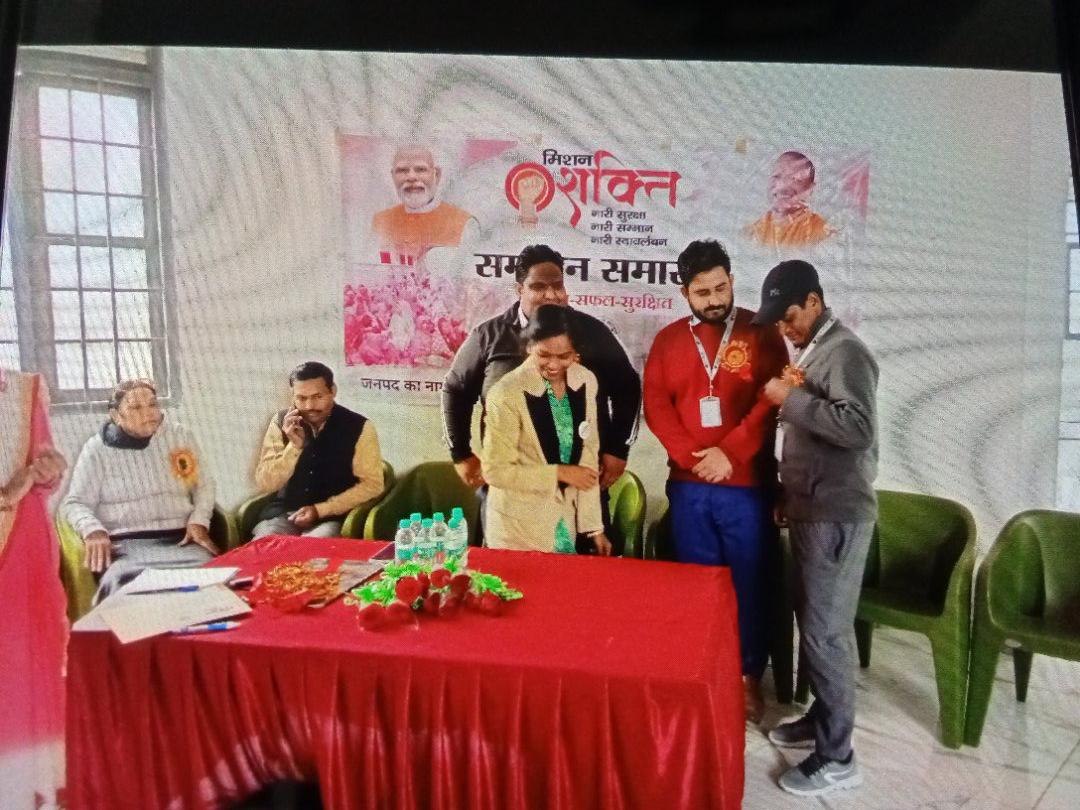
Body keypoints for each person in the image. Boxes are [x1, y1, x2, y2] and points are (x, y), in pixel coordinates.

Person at [642, 239, 788, 724]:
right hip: (690, 485)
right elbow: (657, 406)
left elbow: (771, 403)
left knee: (748, 580)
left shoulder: (761, 332)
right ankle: (701, 669)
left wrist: (731, 453)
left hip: (745, 486)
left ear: (732, 281)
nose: (714, 300)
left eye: (721, 288)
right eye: (702, 292)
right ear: (684, 293)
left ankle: (747, 675)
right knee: (697, 581)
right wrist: (694, 459)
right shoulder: (667, 341)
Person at [754, 260, 878, 797]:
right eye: (779, 323)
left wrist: (792, 400)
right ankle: (820, 721)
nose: (785, 329)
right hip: (810, 506)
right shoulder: (813, 349)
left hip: (836, 512)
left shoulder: (845, 351)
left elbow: (858, 427)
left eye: (790, 317)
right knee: (814, 623)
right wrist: (789, 491)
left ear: (814, 301)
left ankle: (838, 755)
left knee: (827, 633)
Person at [441, 244, 641, 552]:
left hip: (580, 487)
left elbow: (628, 385)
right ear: (519, 289)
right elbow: (455, 389)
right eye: (538, 287)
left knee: (585, 570)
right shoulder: (489, 336)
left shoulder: (590, 332)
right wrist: (460, 453)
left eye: (557, 285)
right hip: (515, 494)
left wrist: (617, 449)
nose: (551, 295)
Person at [61, 379, 220, 603]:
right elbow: (76, 503)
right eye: (135, 407)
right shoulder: (96, 449)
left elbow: (204, 485)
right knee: (125, 586)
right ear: (116, 415)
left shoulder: (179, 437)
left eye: (153, 404)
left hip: (181, 541)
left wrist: (199, 521)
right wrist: (92, 530)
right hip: (127, 548)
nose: (148, 413)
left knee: (214, 581)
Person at [481, 304, 611, 555]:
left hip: (563, 523)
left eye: (564, 356)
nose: (553, 364)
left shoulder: (585, 380)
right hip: (516, 529)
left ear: (576, 353)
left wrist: (594, 528)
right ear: (529, 346)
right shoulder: (506, 393)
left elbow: (587, 458)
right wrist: (559, 473)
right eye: (544, 354)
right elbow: (495, 471)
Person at [0, 368, 68, 810]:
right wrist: (6, 493)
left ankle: (33, 790)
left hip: (24, 554)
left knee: (30, 666)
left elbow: (43, 478)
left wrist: (47, 472)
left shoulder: (21, 391)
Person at [252, 361, 384, 538]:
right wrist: (294, 447)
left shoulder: (360, 426)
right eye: (301, 398)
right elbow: (266, 483)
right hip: (283, 514)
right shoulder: (280, 421)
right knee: (266, 544)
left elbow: (372, 485)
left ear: (333, 391)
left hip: (330, 518)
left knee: (316, 547)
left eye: (317, 396)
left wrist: (320, 510)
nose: (309, 406)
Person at [371, 145, 476, 262]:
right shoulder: (381, 221)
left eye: (420, 169)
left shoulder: (463, 223)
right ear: (393, 176)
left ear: (437, 174)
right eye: (402, 170)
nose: (411, 177)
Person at [745, 151, 834, 248]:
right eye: (777, 176)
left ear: (810, 189)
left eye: (795, 179)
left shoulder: (822, 235)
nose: (783, 185)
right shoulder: (751, 234)